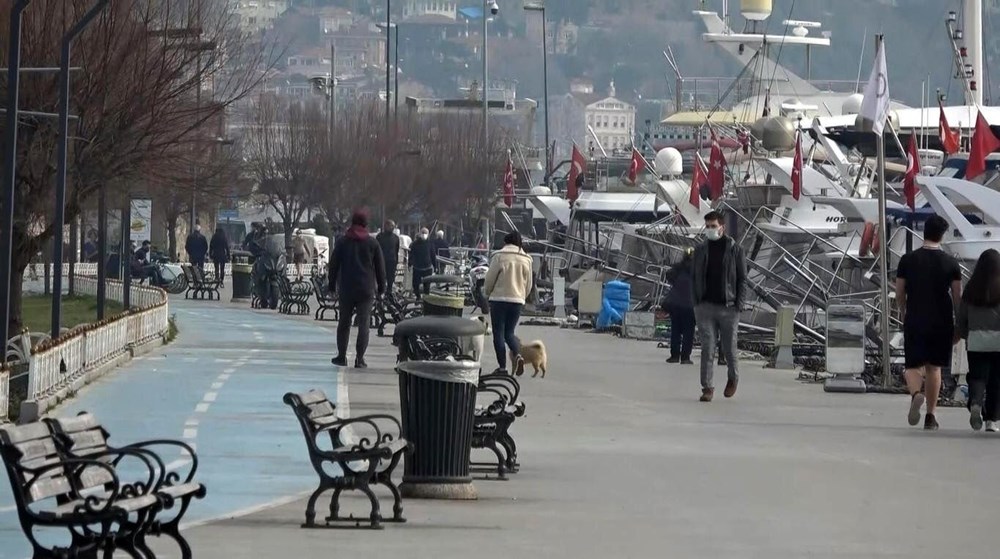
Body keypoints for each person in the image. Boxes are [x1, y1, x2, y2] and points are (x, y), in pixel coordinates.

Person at [896, 213, 962, 431]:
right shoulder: (951, 263)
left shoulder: (908, 260)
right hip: (941, 320)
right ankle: (931, 416)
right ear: (942, 235)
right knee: (934, 368)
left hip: (915, 316)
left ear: (924, 232)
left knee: (912, 365)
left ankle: (916, 394)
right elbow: (956, 297)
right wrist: (959, 324)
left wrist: (904, 311)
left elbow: (899, 292)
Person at [691, 210, 747, 402]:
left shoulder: (735, 249)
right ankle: (707, 387)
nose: (710, 230)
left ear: (722, 227)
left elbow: (742, 279)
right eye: (707, 226)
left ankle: (733, 379)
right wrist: (696, 302)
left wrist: (739, 304)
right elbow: (694, 276)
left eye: (713, 226)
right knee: (707, 347)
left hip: (728, 307)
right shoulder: (700, 249)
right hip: (705, 306)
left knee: (729, 348)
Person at [328, 209, 385, 369]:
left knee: (344, 323)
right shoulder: (372, 243)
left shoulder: (342, 241)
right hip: (366, 289)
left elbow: (333, 265)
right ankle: (360, 359)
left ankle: (341, 356)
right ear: (365, 223)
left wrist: (332, 285)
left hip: (346, 287)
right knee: (364, 323)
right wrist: (381, 288)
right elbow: (380, 268)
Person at [956, 248, 1000, 432]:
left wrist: (965, 333)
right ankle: (992, 420)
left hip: (975, 340)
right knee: (996, 382)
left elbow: (962, 316)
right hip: (998, 341)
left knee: (977, 377)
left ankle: (975, 402)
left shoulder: (971, 288)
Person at [484, 230, 534, 375]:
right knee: (509, 333)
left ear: (506, 242)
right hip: (517, 300)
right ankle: (518, 355)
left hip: (499, 299)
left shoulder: (499, 256)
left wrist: (487, 293)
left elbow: (489, 279)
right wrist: (522, 296)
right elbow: (529, 283)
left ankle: (502, 367)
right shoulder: (527, 259)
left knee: (498, 333)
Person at [664, 248, 696, 365]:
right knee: (689, 331)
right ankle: (685, 357)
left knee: (675, 330)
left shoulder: (678, 267)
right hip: (691, 305)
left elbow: (668, 274)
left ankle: (674, 356)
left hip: (676, 303)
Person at [408, 227, 436, 299]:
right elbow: (411, 254)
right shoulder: (415, 244)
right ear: (420, 233)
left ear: (428, 234)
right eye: (422, 233)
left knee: (427, 285)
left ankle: (426, 299)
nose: (424, 234)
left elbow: (433, 255)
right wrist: (410, 263)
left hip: (427, 267)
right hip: (417, 267)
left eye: (425, 233)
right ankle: (418, 296)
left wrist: (435, 266)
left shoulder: (430, 243)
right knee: (415, 284)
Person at [376, 220, 400, 292]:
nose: (392, 227)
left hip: (392, 261)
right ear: (386, 226)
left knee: (391, 279)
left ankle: (389, 293)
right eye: (391, 225)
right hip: (381, 261)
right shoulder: (379, 237)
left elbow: (396, 250)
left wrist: (396, 262)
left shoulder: (396, 238)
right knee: (381, 279)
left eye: (393, 226)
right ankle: (380, 294)